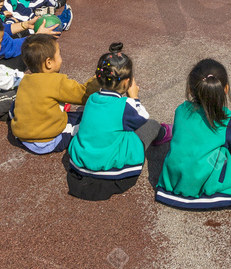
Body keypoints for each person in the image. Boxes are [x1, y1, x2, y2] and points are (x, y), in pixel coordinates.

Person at [65, 43, 172, 200]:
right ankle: (163, 133)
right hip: (114, 169)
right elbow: (143, 117)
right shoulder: (125, 105)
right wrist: (134, 96)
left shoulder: (91, 99)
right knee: (151, 125)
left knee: (90, 118)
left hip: (81, 164)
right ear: (126, 82)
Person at [155, 59, 231, 210]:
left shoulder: (181, 110)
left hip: (172, 182)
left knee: (208, 148)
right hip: (204, 185)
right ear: (225, 89)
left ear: (191, 88)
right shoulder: (225, 117)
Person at [10, 34, 101, 154]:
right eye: (59, 55)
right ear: (49, 63)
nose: (61, 58)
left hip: (22, 138)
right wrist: (98, 77)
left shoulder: (24, 80)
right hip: (47, 141)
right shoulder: (56, 82)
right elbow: (83, 95)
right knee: (89, 120)